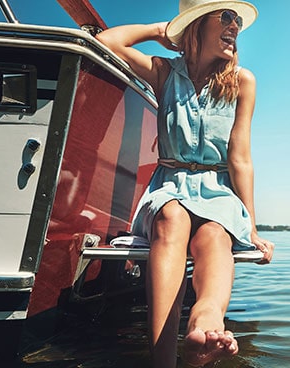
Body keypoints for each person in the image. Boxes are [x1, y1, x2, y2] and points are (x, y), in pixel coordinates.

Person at [96, 0, 274, 366]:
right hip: (169, 184)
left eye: (237, 20)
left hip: (218, 189)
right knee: (170, 219)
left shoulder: (242, 82)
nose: (235, 26)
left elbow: (240, 157)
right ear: (196, 25)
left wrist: (251, 225)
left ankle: (205, 327)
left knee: (215, 235)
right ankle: (162, 359)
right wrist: (160, 30)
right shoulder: (164, 72)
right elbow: (108, 42)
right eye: (226, 17)